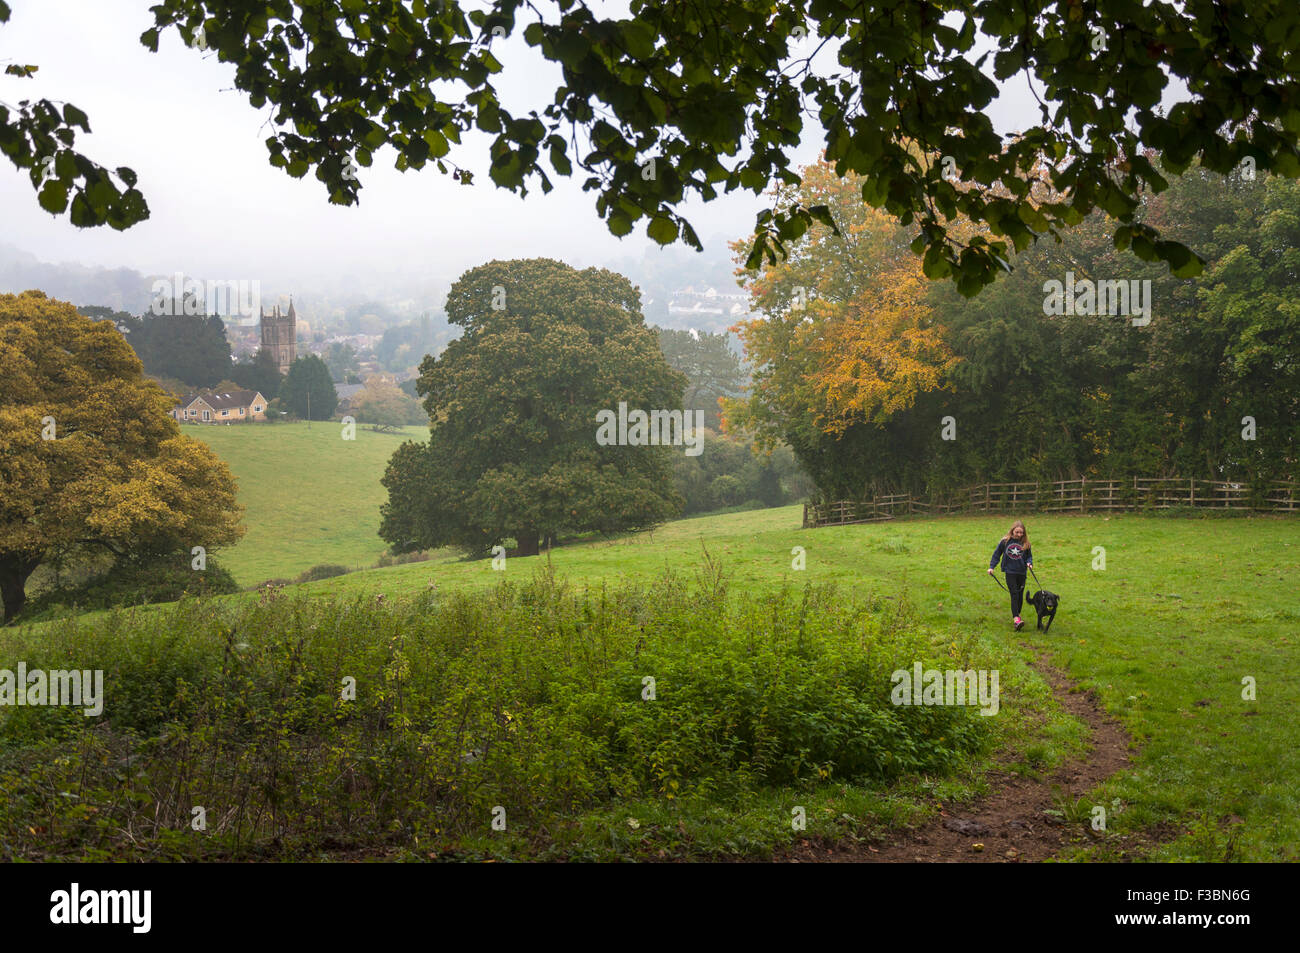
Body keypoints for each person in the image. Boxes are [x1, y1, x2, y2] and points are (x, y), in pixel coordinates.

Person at [988, 519, 1033, 630]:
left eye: (1021, 532)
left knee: (1020, 596)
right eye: (1017, 532)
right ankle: (1016, 619)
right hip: (1010, 572)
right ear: (1012, 531)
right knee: (1014, 594)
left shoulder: (1026, 543)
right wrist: (991, 567)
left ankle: (1017, 615)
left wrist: (1029, 563)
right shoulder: (1005, 541)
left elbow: (1029, 556)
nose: (1019, 534)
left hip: (1022, 572)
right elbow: (996, 554)